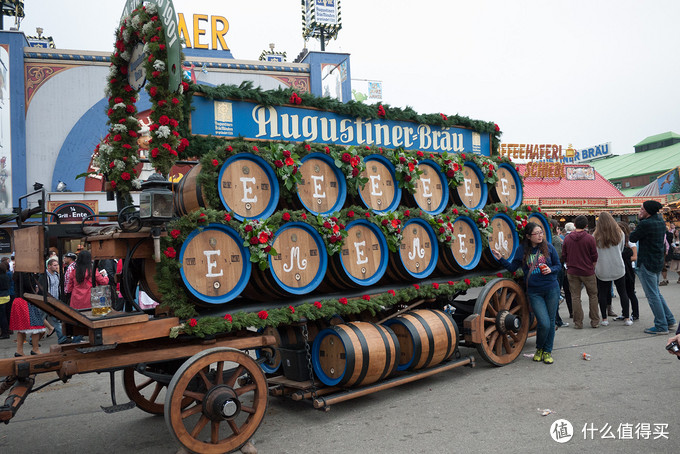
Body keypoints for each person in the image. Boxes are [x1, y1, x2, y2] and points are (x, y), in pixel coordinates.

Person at [491, 222, 561, 365]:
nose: (540, 235)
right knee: (544, 322)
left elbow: (558, 265)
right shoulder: (522, 250)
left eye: (541, 232)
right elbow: (513, 268)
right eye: (537, 233)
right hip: (534, 292)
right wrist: (500, 259)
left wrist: (550, 270)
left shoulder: (549, 247)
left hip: (551, 288)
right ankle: (539, 348)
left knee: (551, 321)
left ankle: (546, 351)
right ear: (529, 236)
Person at [629, 200, 676, 334]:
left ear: (648, 211)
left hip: (646, 262)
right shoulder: (660, 221)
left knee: (652, 295)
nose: (640, 211)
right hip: (656, 261)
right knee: (656, 293)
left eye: (642, 209)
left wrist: (639, 220)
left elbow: (632, 237)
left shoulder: (645, 224)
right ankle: (670, 320)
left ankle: (661, 325)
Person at [593, 212, 631, 326]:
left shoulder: (595, 235)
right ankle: (627, 317)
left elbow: (595, 252)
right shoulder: (620, 233)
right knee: (623, 292)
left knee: (602, 293)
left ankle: (604, 319)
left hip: (602, 267)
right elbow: (621, 249)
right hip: (617, 266)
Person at [562, 215, 599, 329]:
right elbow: (594, 256)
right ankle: (594, 321)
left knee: (575, 297)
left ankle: (578, 323)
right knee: (593, 296)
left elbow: (564, 255)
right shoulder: (590, 238)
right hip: (587, 271)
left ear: (575, 225)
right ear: (586, 226)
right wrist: (591, 267)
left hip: (572, 271)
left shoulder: (567, 239)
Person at [10, 273, 45, 356]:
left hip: (18, 301)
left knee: (21, 328)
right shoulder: (25, 274)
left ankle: (19, 351)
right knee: (36, 326)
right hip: (26, 301)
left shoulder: (18, 273)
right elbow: (30, 287)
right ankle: (35, 349)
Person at [617, 221, 640, 321]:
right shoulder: (619, 241)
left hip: (629, 268)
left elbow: (634, 257)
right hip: (621, 268)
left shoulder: (630, 241)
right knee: (623, 292)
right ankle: (624, 312)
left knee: (630, 292)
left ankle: (635, 313)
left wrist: (623, 258)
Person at [550, 219, 568, 328]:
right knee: (556, 295)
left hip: (549, 268)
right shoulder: (556, 239)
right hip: (557, 268)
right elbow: (559, 255)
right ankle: (557, 320)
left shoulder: (547, 238)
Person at [0, 262, 10, 338]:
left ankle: (4, 333)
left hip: (1, 298)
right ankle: (7, 331)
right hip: (7, 296)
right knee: (6, 315)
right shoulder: (6, 276)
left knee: (2, 316)